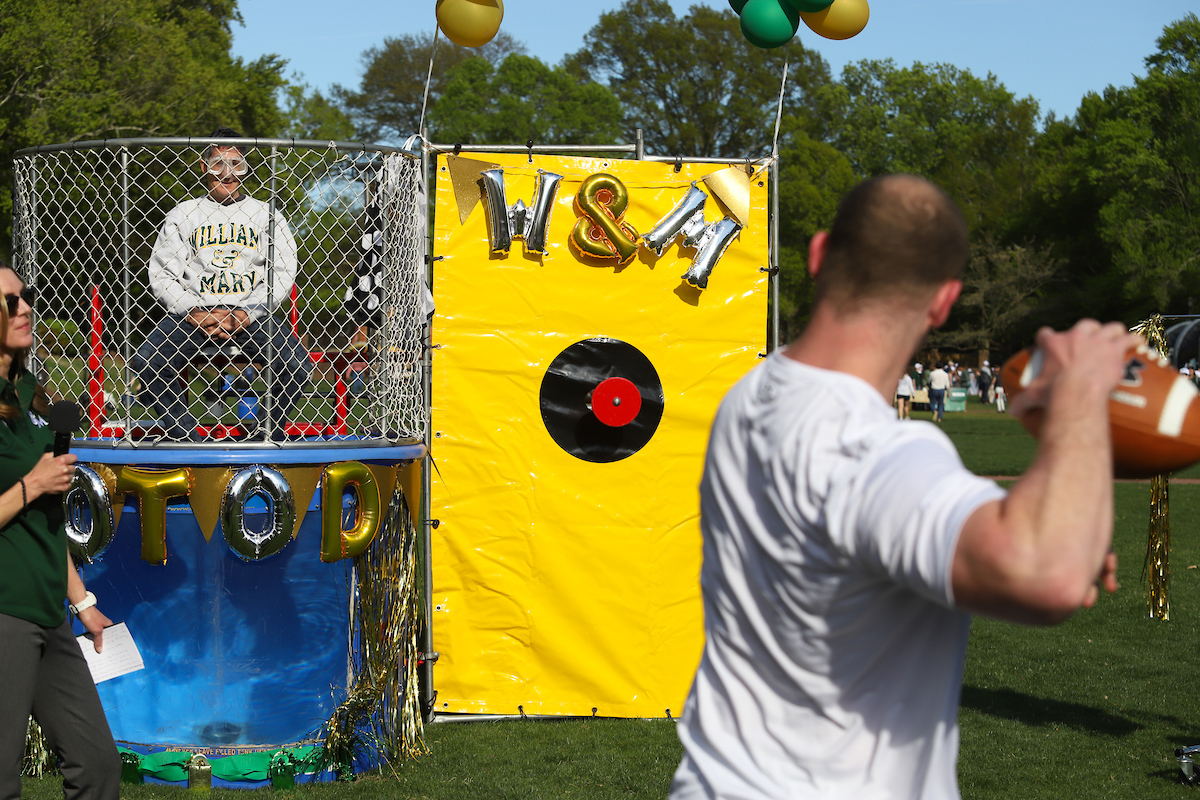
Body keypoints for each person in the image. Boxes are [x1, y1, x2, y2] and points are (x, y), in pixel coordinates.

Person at [668, 174, 1130, 800]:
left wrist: (1044, 523)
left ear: (819, 254)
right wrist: (1079, 394)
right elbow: (1043, 575)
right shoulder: (874, 452)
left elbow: (840, 531)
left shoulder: (749, 398)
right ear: (944, 302)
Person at [0, 262, 120, 799]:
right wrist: (31, 483)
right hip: (4, 613)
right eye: (9, 302)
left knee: (97, 764)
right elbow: (33, 495)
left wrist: (83, 601)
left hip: (50, 611)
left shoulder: (30, 393)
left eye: (25, 297)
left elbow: (48, 524)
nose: (24, 308)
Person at [133, 127, 309, 441]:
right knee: (148, 360)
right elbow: (162, 275)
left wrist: (248, 312)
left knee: (297, 365)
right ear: (203, 166)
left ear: (246, 167)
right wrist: (193, 310)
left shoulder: (266, 215)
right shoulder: (184, 213)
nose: (227, 174)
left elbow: (282, 273)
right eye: (218, 163)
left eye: (236, 164)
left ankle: (264, 434)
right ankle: (186, 438)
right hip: (194, 313)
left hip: (251, 313)